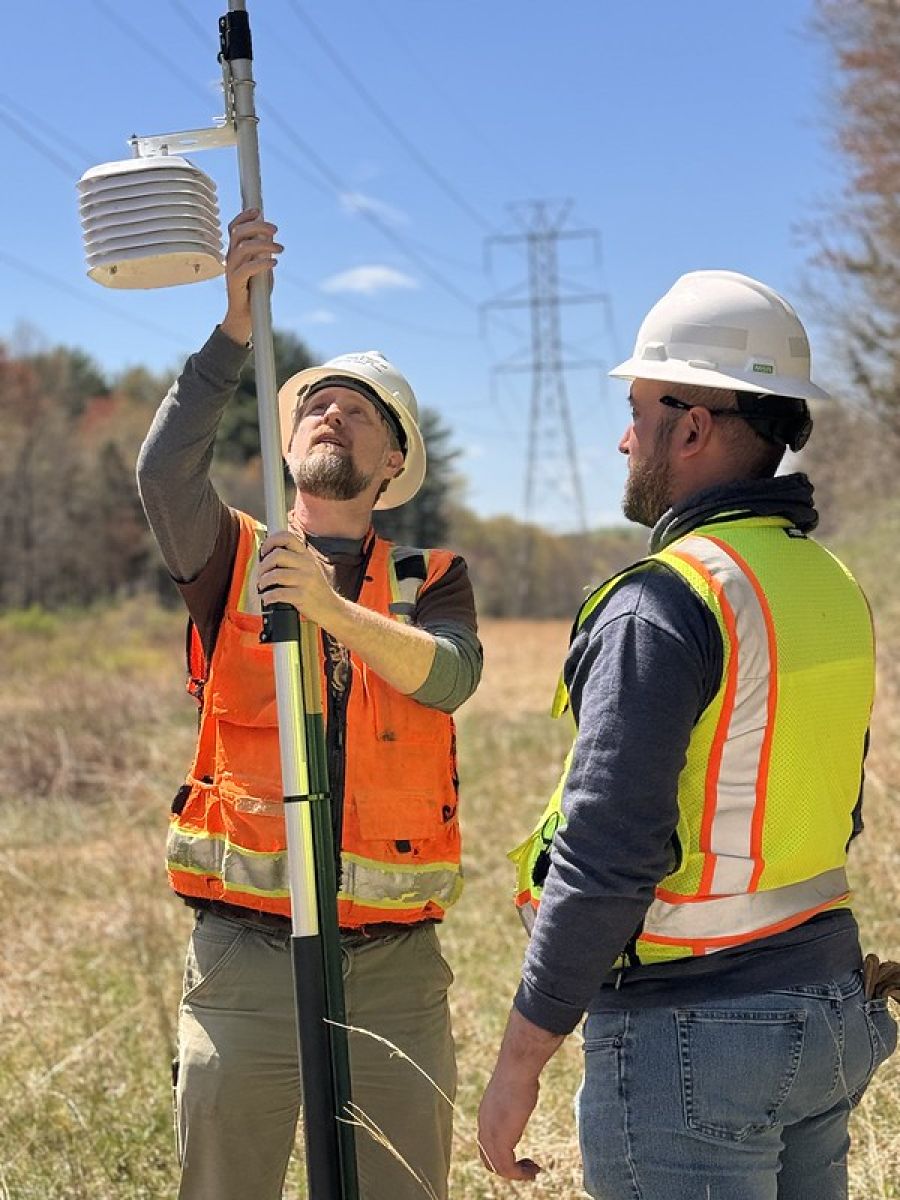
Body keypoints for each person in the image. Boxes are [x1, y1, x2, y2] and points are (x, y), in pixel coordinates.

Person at [477, 269, 897, 1200]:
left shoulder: (663, 603)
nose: (626, 437)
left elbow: (607, 857)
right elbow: (837, 807)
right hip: (828, 1009)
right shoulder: (829, 586)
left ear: (694, 424)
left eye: (636, 409)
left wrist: (517, 1065)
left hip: (695, 1039)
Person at [136, 209, 482, 1200]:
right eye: (314, 407)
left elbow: (449, 676)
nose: (333, 416)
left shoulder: (432, 577)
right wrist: (234, 330)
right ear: (287, 448)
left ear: (390, 464)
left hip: (394, 975)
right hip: (245, 962)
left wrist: (331, 609)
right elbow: (163, 470)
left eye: (359, 412)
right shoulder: (226, 556)